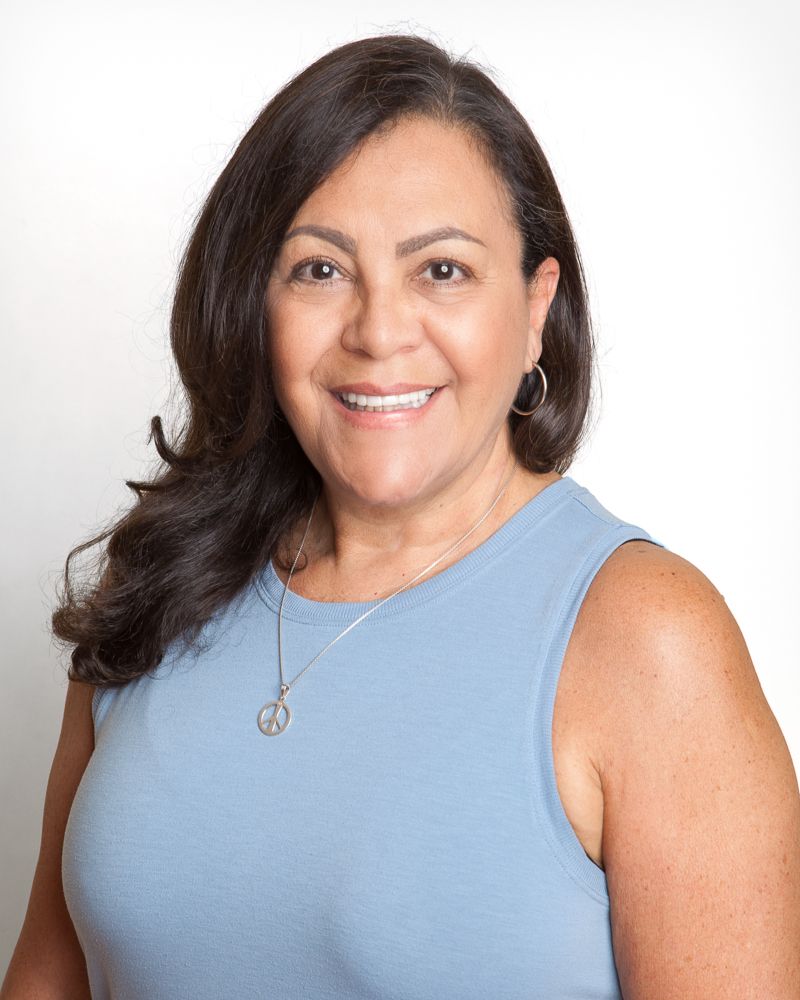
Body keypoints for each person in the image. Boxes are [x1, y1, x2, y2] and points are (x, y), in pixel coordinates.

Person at [3, 32, 798, 1000]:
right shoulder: (155, 588)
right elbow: (47, 979)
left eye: (442, 270)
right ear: (251, 304)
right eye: (318, 269)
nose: (379, 330)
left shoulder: (645, 636)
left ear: (536, 304)